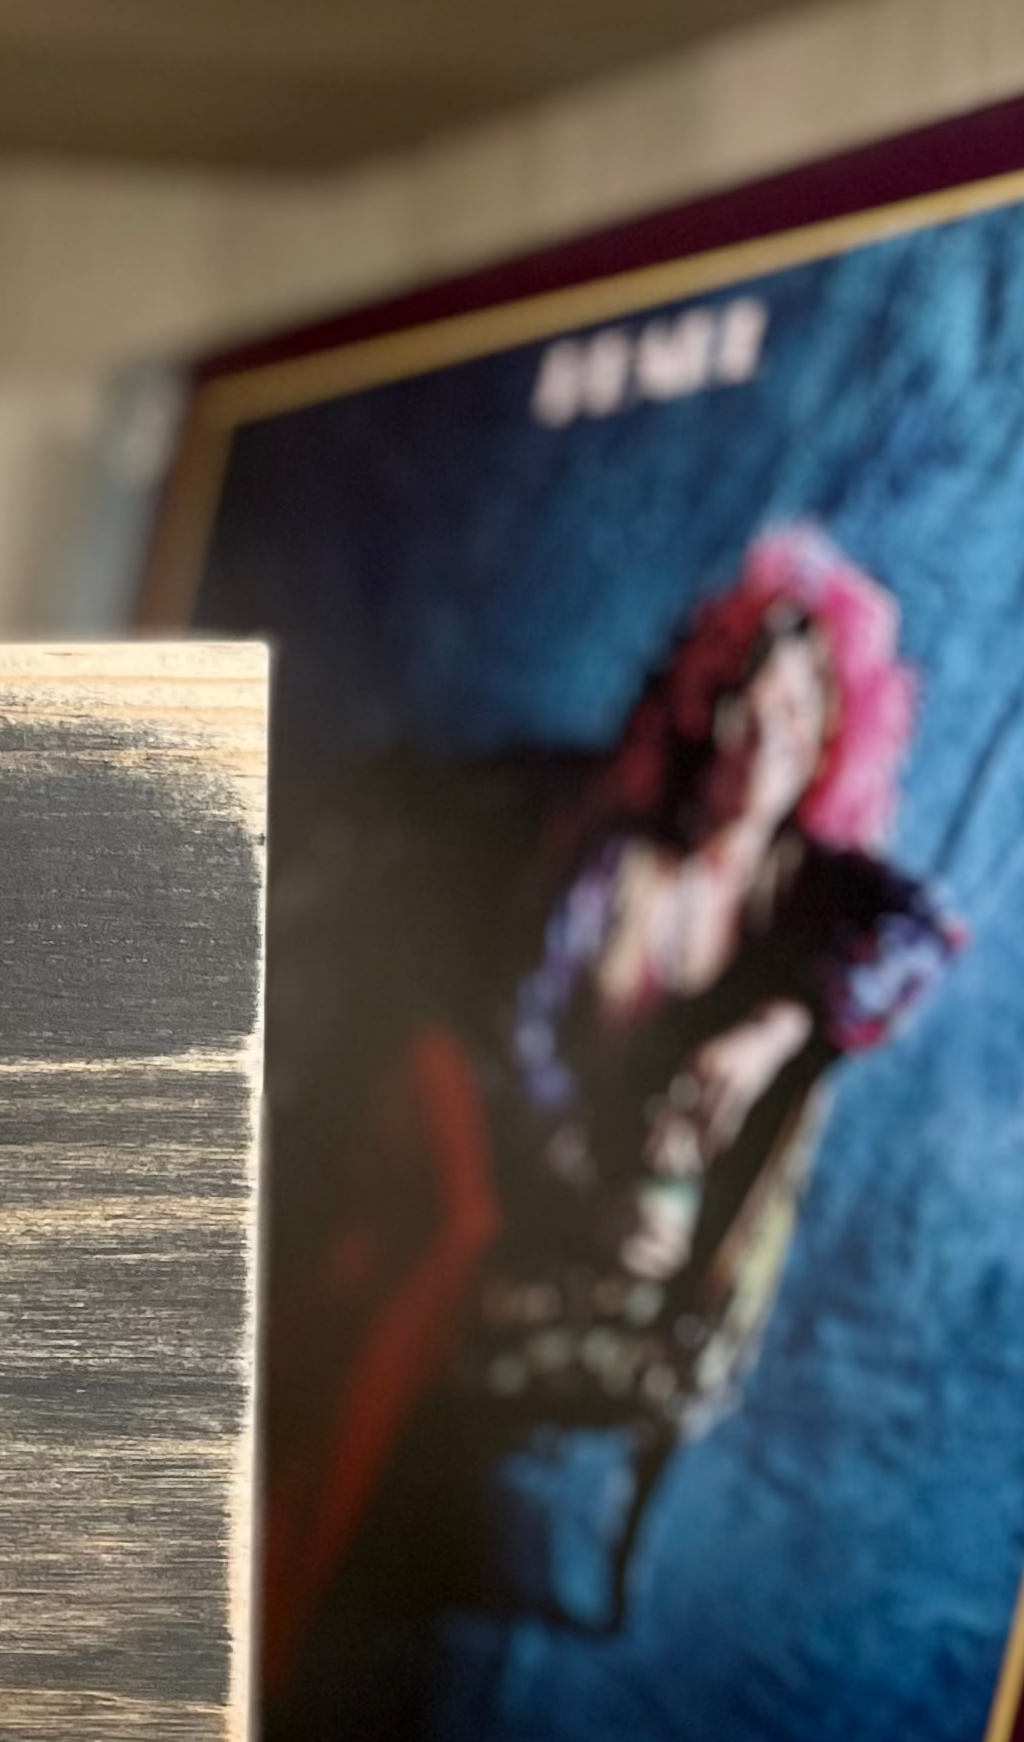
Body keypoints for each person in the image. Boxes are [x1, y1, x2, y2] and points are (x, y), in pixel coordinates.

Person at [263, 524, 957, 1674]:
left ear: (832, 745)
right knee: (434, 1241)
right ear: (699, 702)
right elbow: (515, 1040)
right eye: (739, 702)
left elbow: (920, 939)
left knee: (420, 1254)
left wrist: (773, 1027)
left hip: (575, 1179)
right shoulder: (620, 857)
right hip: (452, 1083)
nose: (756, 741)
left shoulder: (803, 897)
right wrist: (584, 1193)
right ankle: (279, 1555)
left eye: (791, 720)